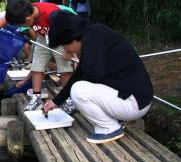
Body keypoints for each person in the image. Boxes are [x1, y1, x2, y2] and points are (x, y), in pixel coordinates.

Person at [43, 11, 153, 144]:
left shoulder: (93, 38)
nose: (65, 49)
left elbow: (93, 76)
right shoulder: (94, 33)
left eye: (64, 45)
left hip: (133, 104)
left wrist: (71, 55)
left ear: (71, 38)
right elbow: (79, 74)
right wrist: (56, 101)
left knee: (78, 90)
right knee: (78, 85)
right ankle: (114, 122)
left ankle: (109, 128)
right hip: (135, 98)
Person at [0, 0, 73, 111]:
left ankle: (68, 99)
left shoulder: (52, 13)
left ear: (28, 20)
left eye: (22, 25)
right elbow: (7, 17)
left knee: (64, 68)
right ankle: (36, 97)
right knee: (37, 65)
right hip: (43, 37)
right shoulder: (25, 11)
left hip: (61, 37)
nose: (23, 27)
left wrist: (69, 51)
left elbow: (69, 30)